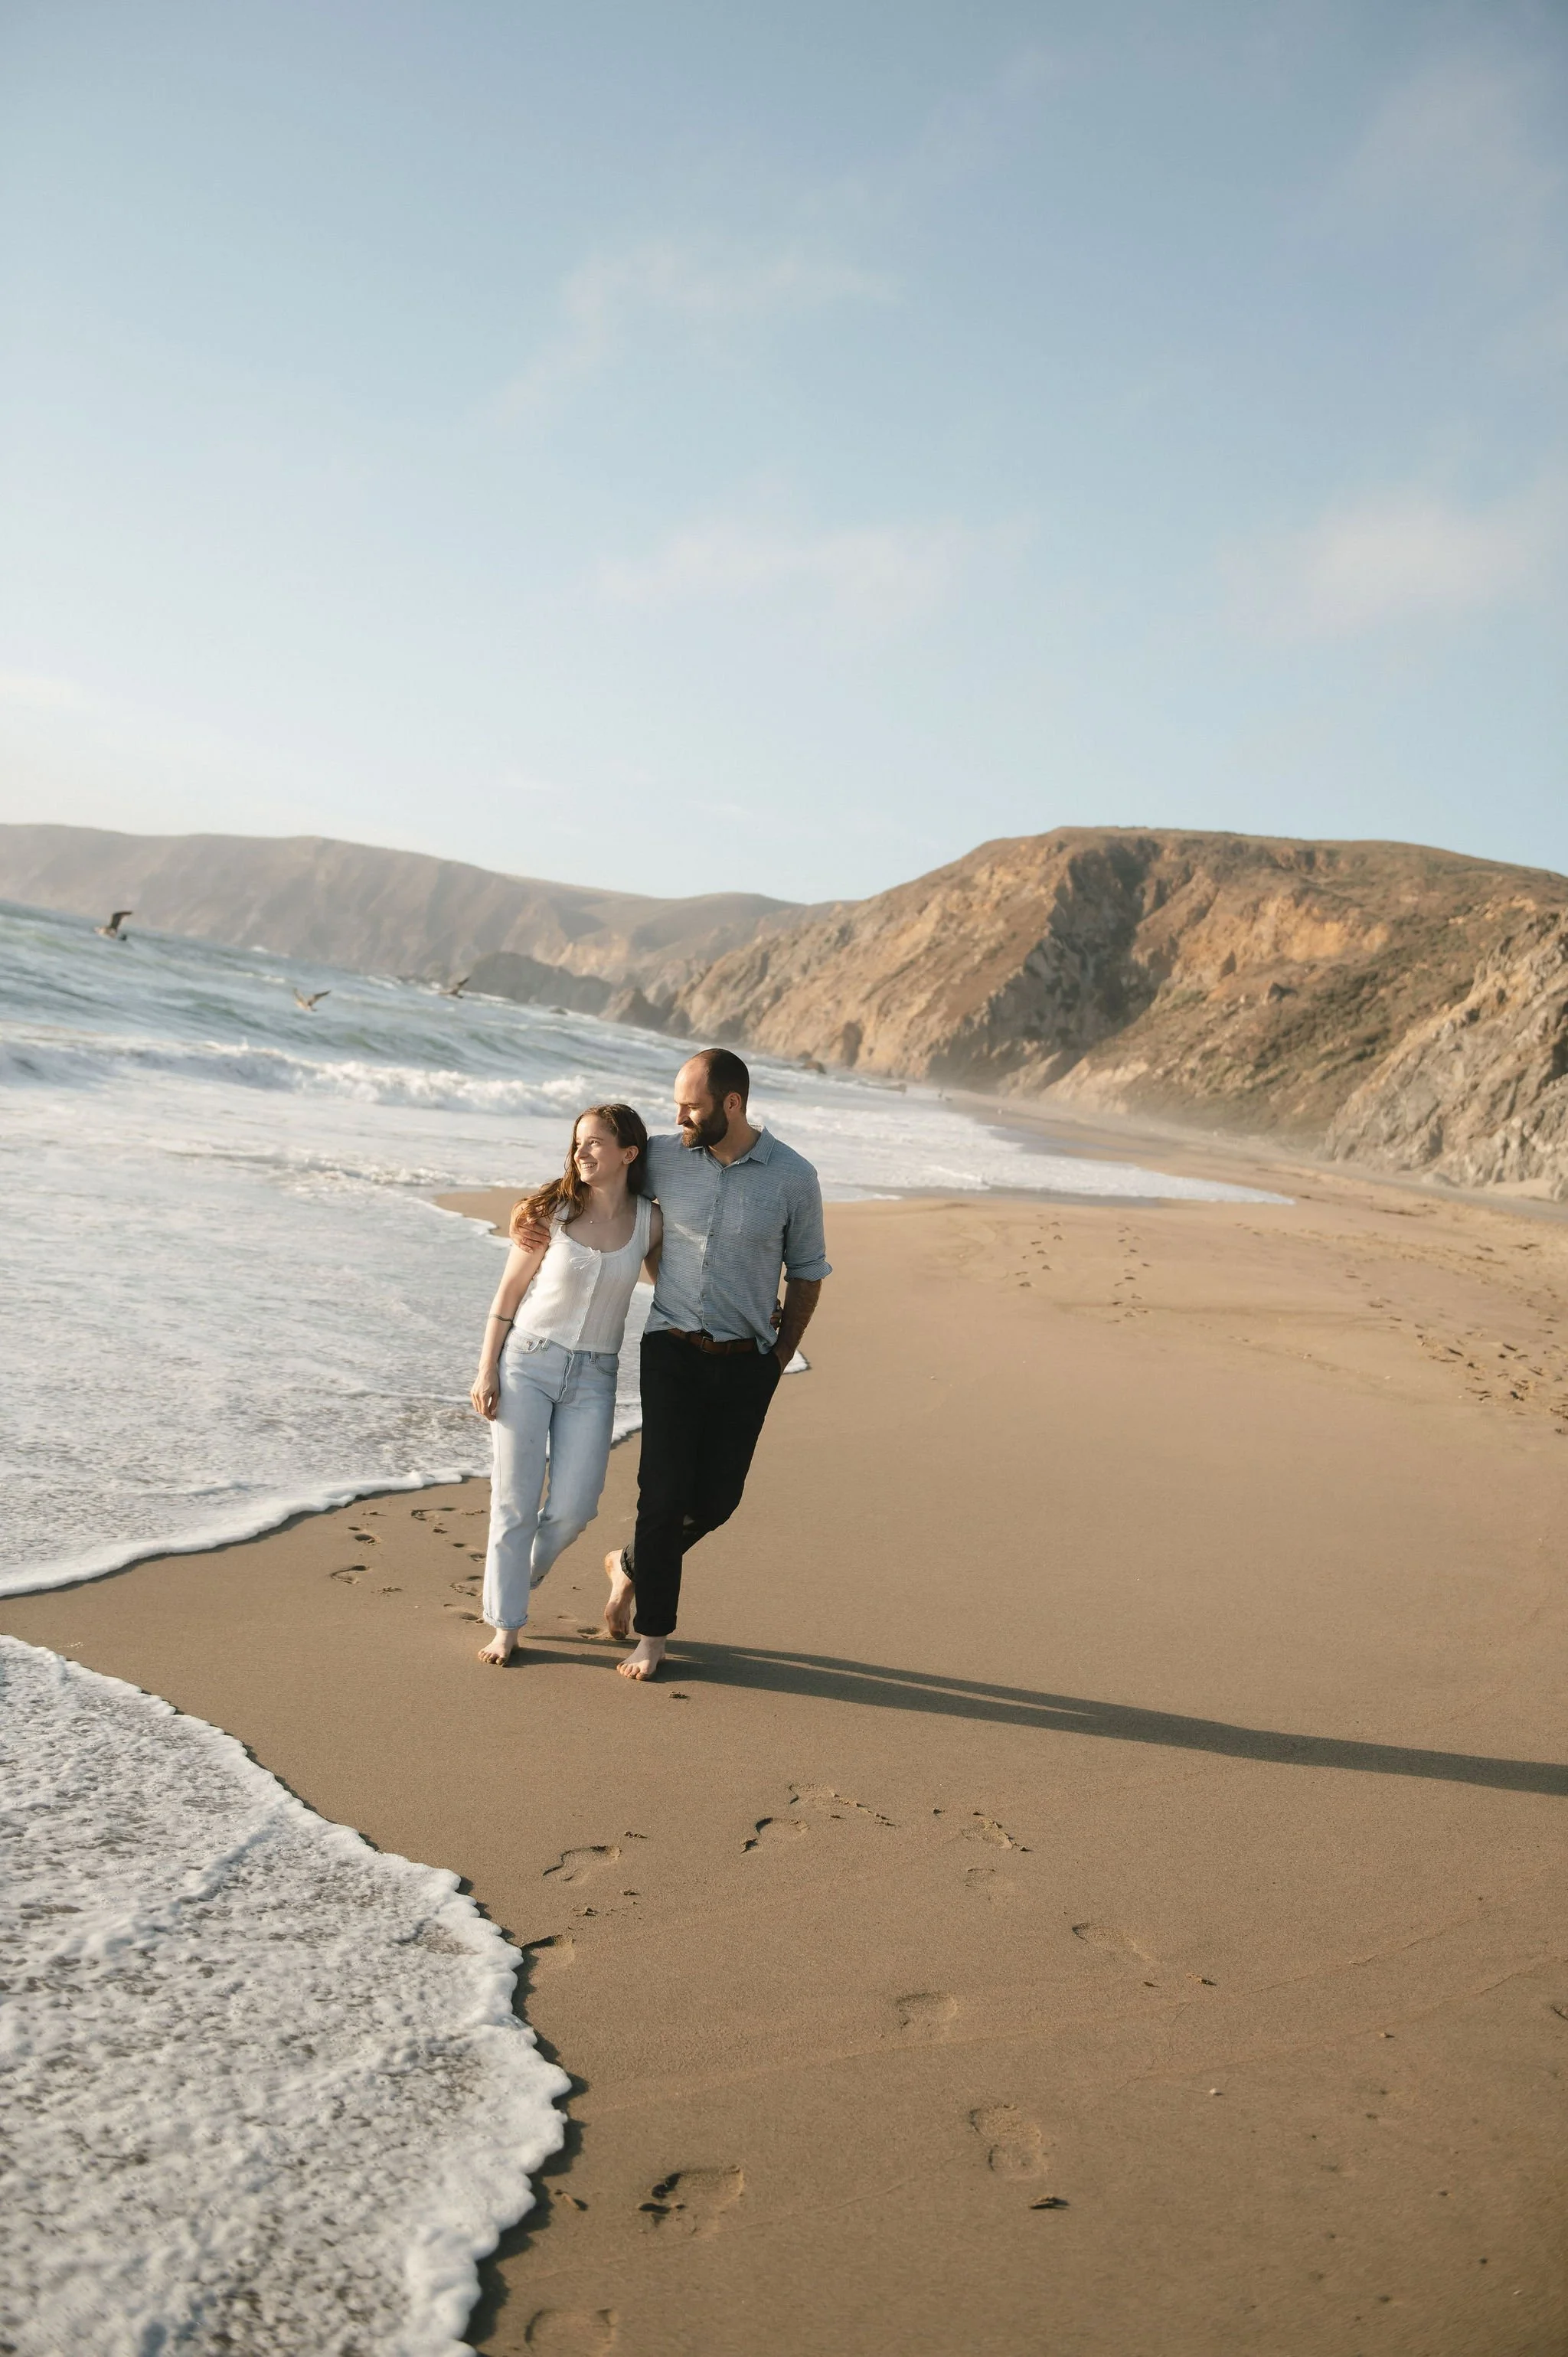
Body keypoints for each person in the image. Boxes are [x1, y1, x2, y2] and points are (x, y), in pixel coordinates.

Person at [522, 1047, 830, 1679]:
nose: (679, 1115)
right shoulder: (663, 1155)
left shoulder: (794, 1177)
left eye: (691, 1104)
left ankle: (631, 1564)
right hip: (670, 1349)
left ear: (733, 1104)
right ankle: (652, 1637)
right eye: (677, 1103)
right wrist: (527, 1211)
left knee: (717, 1501)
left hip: (748, 1359)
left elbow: (806, 1273)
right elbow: (592, 1180)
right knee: (661, 1496)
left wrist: (780, 1355)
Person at [469, 1103, 662, 1666]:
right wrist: (486, 1369)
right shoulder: (548, 1213)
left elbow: (679, 1285)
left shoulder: (651, 1221)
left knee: (576, 1506)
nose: (581, 1153)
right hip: (526, 1362)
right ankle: (506, 1625)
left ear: (629, 1153)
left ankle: (515, 1579)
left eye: (596, 1143)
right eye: (578, 1142)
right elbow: (507, 1296)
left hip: (596, 1376)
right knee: (515, 1503)